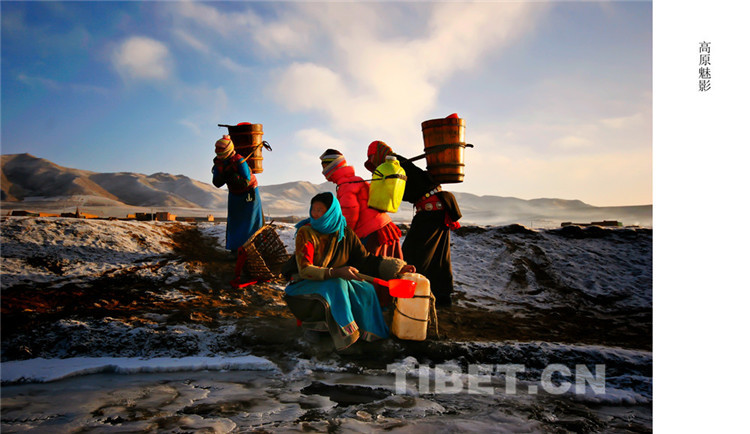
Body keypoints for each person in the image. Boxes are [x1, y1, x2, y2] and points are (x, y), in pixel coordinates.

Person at [284, 192, 415, 350]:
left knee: (366, 288)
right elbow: (305, 270)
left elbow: (365, 260)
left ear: (332, 212)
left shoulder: (345, 233)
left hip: (333, 282)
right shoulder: (306, 233)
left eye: (320, 210)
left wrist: (397, 267)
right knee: (337, 285)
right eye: (314, 209)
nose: (315, 214)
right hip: (303, 285)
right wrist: (335, 273)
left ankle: (367, 334)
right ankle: (332, 332)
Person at [365, 140, 461, 307]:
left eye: (372, 156)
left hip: (431, 210)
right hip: (436, 208)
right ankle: (442, 296)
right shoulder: (396, 164)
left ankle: (409, 294)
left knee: (412, 254)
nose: (372, 160)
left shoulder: (394, 165)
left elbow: (388, 196)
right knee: (438, 257)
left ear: (379, 152)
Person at [320, 149, 403, 259]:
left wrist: (343, 237)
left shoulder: (345, 185)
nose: (323, 171)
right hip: (384, 226)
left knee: (369, 269)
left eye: (324, 166)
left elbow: (350, 213)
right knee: (391, 269)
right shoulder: (356, 179)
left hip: (371, 233)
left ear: (332, 166)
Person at [211, 135, 265, 252]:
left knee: (251, 222)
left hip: (249, 194)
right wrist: (224, 176)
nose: (218, 151)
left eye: (220, 149)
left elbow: (246, 181)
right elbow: (216, 182)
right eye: (217, 149)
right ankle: (236, 249)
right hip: (235, 195)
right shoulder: (218, 164)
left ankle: (253, 249)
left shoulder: (239, 161)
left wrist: (233, 176)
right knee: (235, 222)